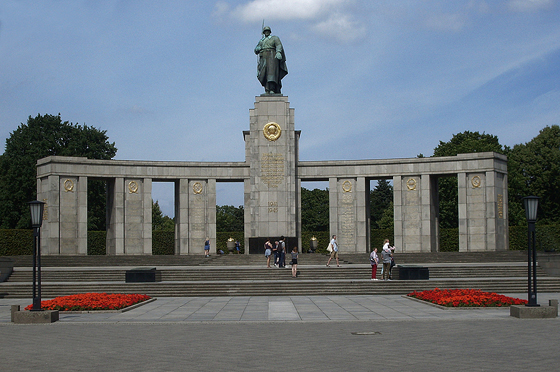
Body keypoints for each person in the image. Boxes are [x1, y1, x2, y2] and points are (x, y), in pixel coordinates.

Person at [254, 26, 288, 94]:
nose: (266, 32)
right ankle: (266, 90)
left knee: (271, 74)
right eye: (265, 31)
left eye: (267, 31)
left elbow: (279, 45)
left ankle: (271, 89)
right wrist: (257, 48)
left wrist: (278, 52)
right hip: (263, 57)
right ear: (263, 32)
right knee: (264, 74)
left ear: (270, 32)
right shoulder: (261, 41)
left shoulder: (274, 38)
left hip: (272, 56)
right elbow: (256, 50)